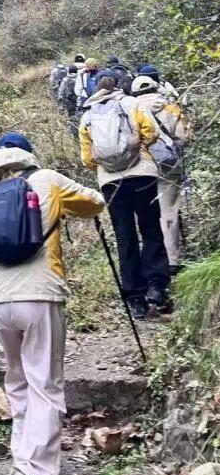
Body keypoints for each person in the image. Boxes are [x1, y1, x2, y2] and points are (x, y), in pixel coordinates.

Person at [0, 132, 105, 475]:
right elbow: (94, 202)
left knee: (17, 376)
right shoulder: (47, 180)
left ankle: (22, 458)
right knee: (44, 382)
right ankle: (35, 471)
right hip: (39, 293)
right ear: (28, 156)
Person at [78, 71, 171, 319]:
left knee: (125, 236)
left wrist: (109, 164)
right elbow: (151, 133)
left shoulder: (88, 115)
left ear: (97, 88)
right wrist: (136, 147)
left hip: (111, 182)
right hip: (142, 175)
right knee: (151, 229)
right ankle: (156, 287)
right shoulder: (133, 104)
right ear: (119, 85)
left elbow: (88, 160)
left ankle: (135, 299)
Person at [131, 75, 189, 274]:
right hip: (168, 165)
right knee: (169, 211)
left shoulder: (130, 110)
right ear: (156, 88)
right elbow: (183, 137)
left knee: (147, 213)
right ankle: (172, 259)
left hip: (141, 167)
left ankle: (153, 259)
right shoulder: (170, 107)